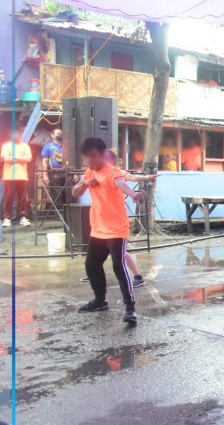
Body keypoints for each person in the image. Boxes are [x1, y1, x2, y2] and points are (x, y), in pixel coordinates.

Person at [72, 138, 146, 325]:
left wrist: (134, 195)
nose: (90, 160)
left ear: (102, 155)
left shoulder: (112, 172)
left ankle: (130, 308)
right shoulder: (89, 172)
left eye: (93, 156)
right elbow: (75, 192)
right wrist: (86, 182)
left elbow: (121, 184)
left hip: (116, 230)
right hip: (98, 230)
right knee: (91, 266)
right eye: (87, 157)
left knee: (118, 267)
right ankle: (99, 300)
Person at [79, 149, 156, 289]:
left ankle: (137, 276)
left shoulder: (115, 172)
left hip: (114, 223)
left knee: (121, 254)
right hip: (100, 221)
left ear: (112, 161)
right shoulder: (94, 171)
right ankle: (92, 273)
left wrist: (146, 179)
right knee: (97, 253)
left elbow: (131, 178)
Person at [2, 129, 32, 227]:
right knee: (8, 198)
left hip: (22, 176)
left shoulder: (25, 146)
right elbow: (5, 158)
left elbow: (28, 159)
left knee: (22, 198)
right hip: (9, 176)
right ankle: (7, 218)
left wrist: (13, 157)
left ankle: (23, 217)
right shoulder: (6, 146)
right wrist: (21, 158)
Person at [41, 128, 67, 209]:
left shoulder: (66, 146)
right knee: (56, 192)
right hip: (54, 172)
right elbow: (44, 162)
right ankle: (59, 213)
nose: (60, 135)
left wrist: (75, 174)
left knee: (68, 192)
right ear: (52, 135)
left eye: (61, 133)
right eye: (57, 133)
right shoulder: (47, 147)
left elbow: (72, 160)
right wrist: (44, 175)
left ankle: (69, 213)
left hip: (66, 171)